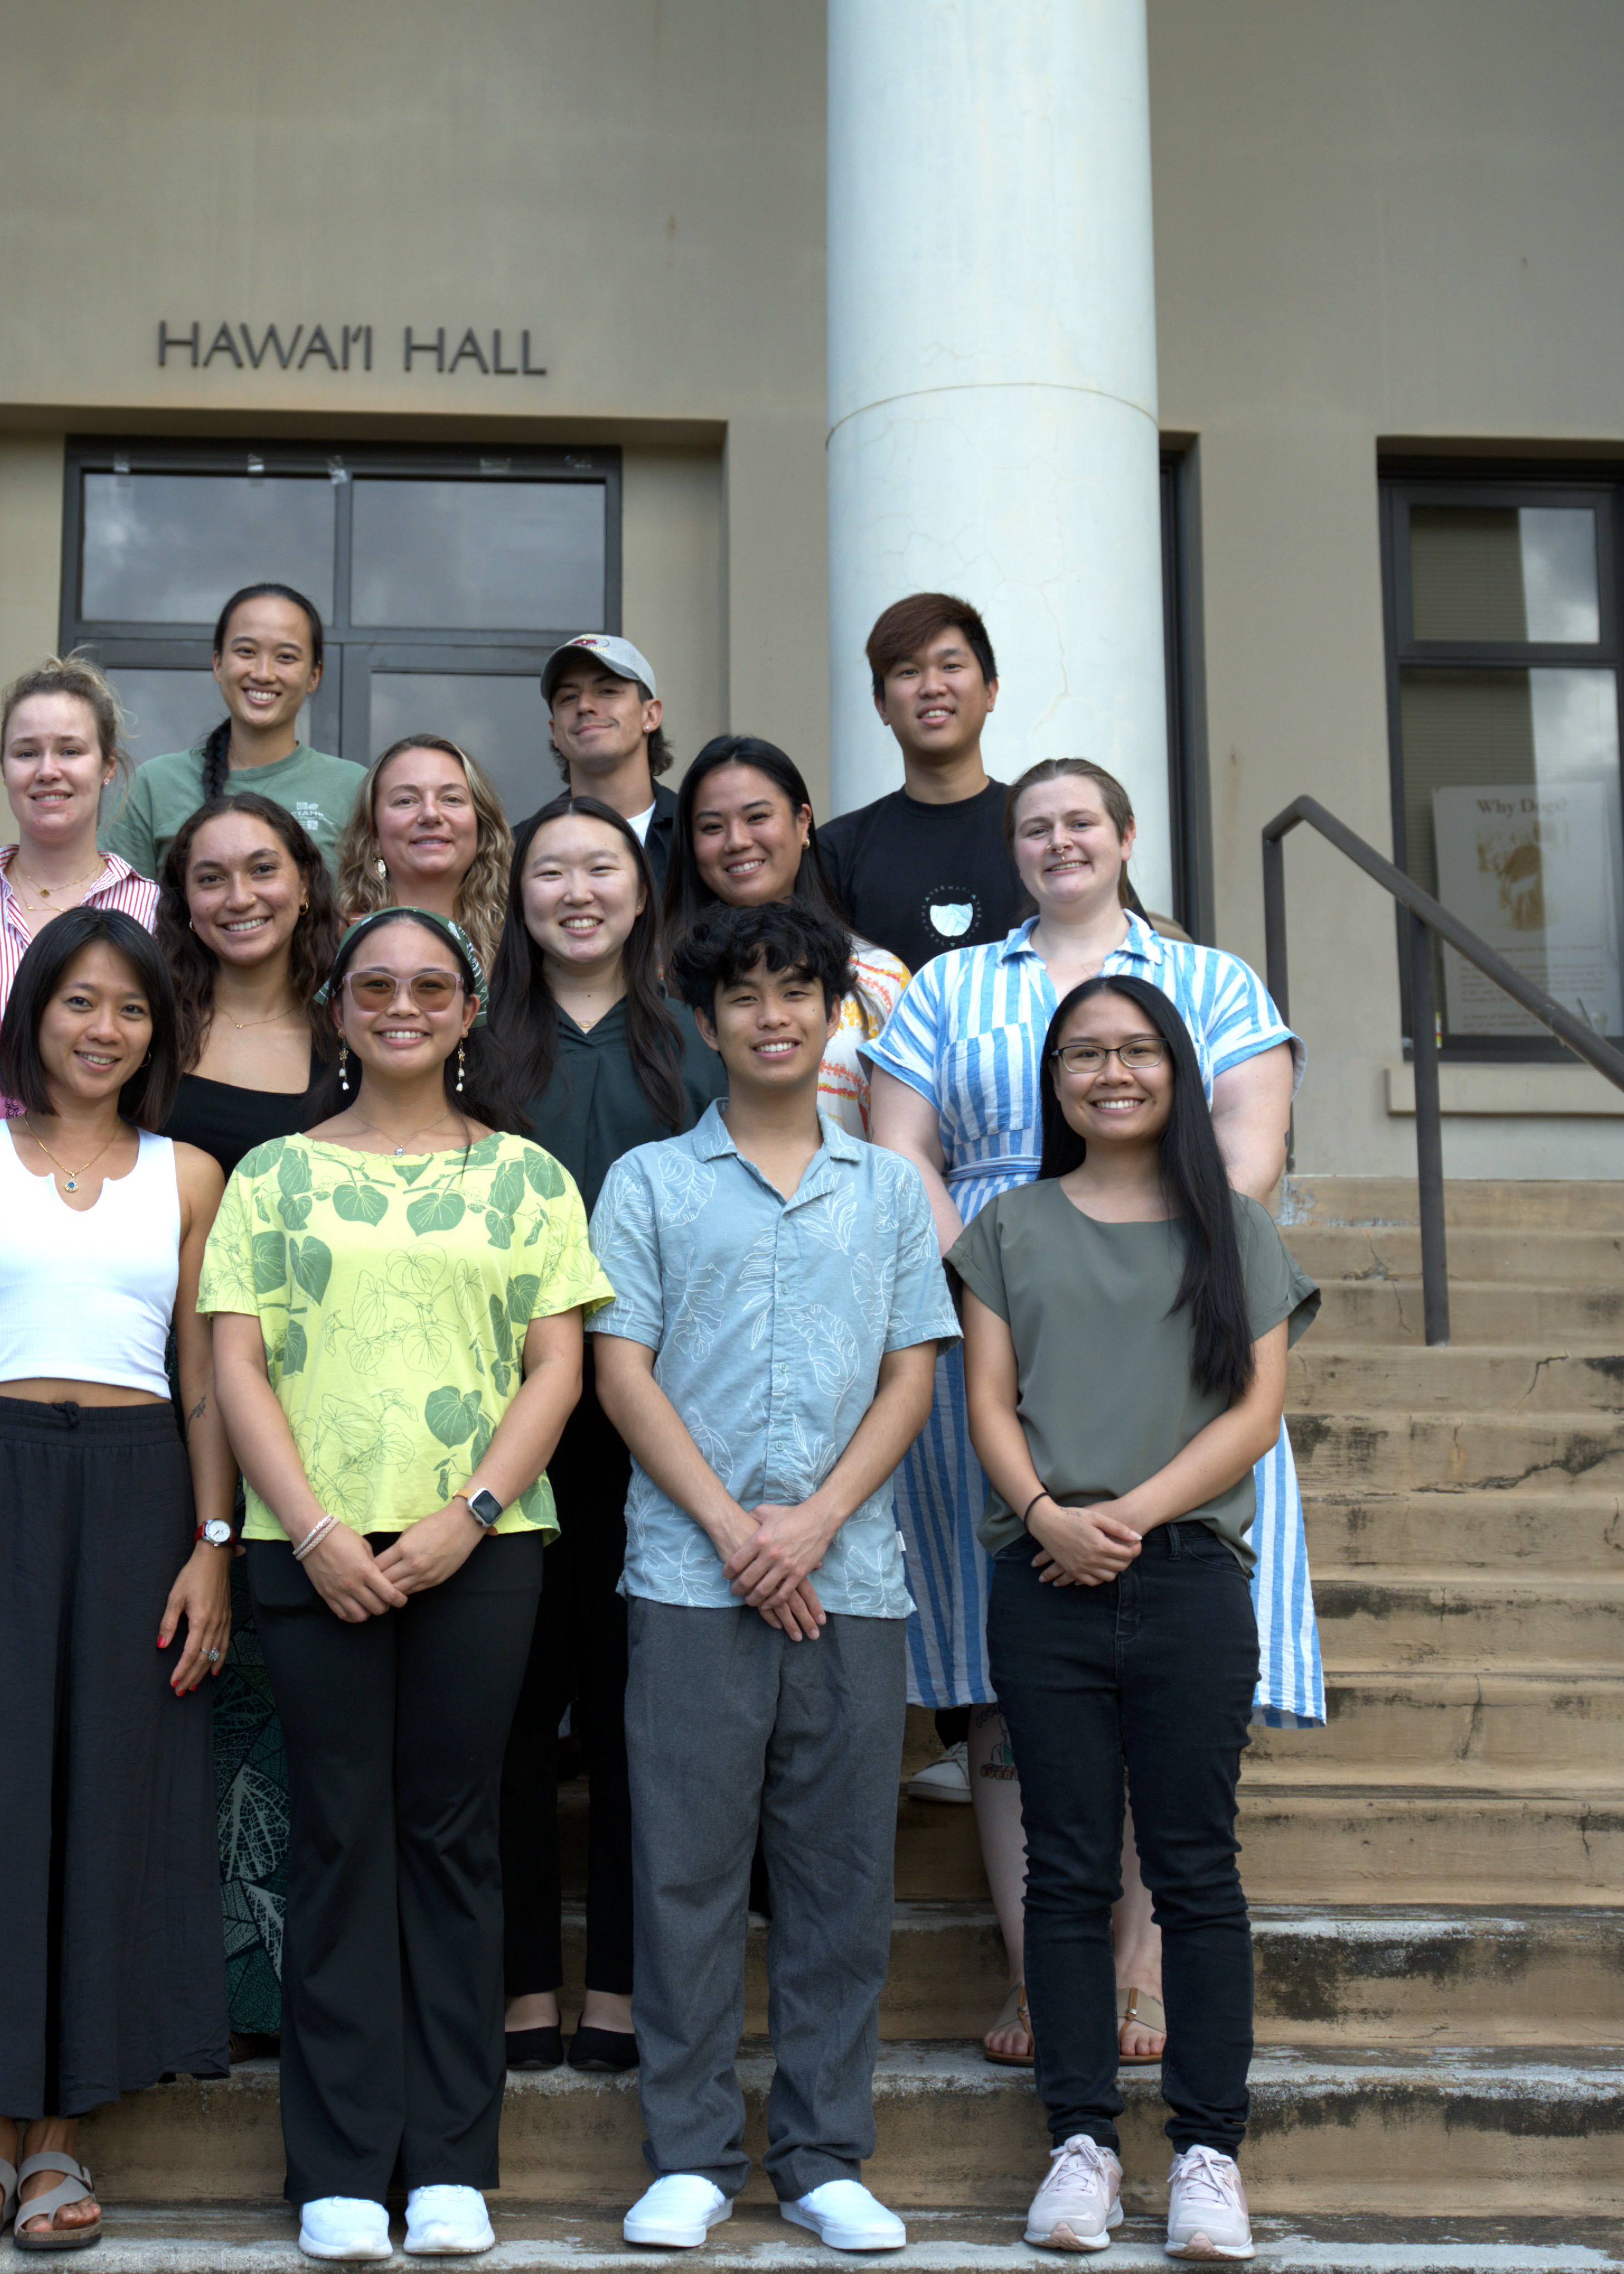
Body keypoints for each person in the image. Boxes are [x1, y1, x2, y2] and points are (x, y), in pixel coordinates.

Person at [865, 756, 1307, 2074]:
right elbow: (905, 1148)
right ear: (1014, 850)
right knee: (1016, 1687)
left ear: (1125, 836)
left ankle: (1147, 1970)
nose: (1060, 842)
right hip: (996, 1327)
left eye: (1082, 822)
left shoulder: (1213, 982)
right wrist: (997, 1279)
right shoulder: (954, 987)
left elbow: (1249, 1143)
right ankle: (1034, 1965)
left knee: (1167, 1679)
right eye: (1035, 826)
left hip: (1180, 1329)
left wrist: (1148, 1284)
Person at [198, 906, 612, 2264]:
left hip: (481, 1550)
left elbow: (558, 1364)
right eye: (374, 982)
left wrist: (471, 1512)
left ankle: (447, 2161)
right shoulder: (269, 1174)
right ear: (335, 1003)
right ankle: (334, 2165)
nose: (401, 1003)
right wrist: (310, 1527)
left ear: (469, 1007)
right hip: (307, 1546)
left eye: (431, 984)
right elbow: (236, 1365)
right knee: (337, 1839)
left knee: (451, 1838)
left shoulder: (528, 1177)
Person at [0, 907, 238, 2256]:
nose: (102, 1029)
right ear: (32, 1014)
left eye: (129, 1010)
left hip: (145, 1484)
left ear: (157, 1031)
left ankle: (68, 2134)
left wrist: (215, 1544)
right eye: (78, 1002)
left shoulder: (191, 1174)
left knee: (119, 1794)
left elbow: (207, 1383)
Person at [590, 899, 952, 2257]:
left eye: (798, 989)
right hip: (689, 1579)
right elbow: (620, 1369)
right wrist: (739, 1530)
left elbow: (913, 1369)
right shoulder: (649, 1184)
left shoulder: (887, 1194)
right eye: (743, 995)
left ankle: (820, 2152)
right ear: (705, 1021)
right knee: (684, 1871)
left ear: (836, 1012)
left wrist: (812, 1525)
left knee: (838, 1874)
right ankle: (688, 2151)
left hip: (851, 1582)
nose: (773, 1013)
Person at [952, 975, 1315, 2260]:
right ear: (1056, 1083)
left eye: (1136, 1051)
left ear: (1176, 1072)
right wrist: (1050, 1513)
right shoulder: (1010, 1225)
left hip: (1187, 1580)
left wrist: (1130, 1514)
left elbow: (1253, 1415)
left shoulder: (1235, 1231)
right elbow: (989, 1401)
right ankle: (1082, 2144)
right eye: (1085, 1054)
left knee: (1195, 1867)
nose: (1112, 1071)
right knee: (1066, 1869)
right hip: (1041, 1580)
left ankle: (1209, 2151)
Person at [477, 794, 725, 2080]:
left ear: (642, 895)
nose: (578, 891)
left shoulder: (697, 1041)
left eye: (602, 870)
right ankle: (522, 1977)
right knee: (512, 1706)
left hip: (660, 1428)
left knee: (641, 1713)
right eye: (550, 871)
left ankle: (623, 1980)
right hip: (497, 1428)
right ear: (517, 896)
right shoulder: (475, 1045)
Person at [146, 789, 353, 2048]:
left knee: (297, 1713)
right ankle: (182, 1989)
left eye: (260, 869)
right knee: (185, 1694)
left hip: (323, 1408)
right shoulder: (148, 1034)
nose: (238, 896)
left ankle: (285, 1996)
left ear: (304, 881)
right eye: (209, 877)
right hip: (159, 1400)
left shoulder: (352, 1035)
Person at [663, 734, 913, 1138]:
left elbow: (908, 1142)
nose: (737, 841)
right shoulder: (659, 981)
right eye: (712, 826)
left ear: (803, 822)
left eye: (757, 817)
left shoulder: (880, 980)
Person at [0, 657, 165, 1026]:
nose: (47, 771)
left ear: (108, 767)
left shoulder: (155, 912)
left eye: (70, 751)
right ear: (4, 769)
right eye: (27, 753)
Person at [812, 592, 1033, 969]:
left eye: (951, 666)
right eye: (908, 672)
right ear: (881, 705)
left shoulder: (1044, 830)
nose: (932, 686)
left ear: (990, 690)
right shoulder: (837, 851)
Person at [104, 582, 366, 874]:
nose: (263, 673)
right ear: (218, 664)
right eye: (246, 651)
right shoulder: (155, 786)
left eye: (286, 657)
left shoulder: (355, 788)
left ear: (315, 675)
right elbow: (116, 907)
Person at [337, 732, 514, 950]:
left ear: (481, 827)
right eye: (406, 801)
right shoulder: (333, 944)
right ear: (374, 835)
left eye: (452, 799)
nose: (431, 814)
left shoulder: (522, 942)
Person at [539, 632, 680, 877]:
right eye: (569, 697)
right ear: (556, 732)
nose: (584, 706)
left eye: (607, 691)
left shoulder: (698, 833)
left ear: (651, 715)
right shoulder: (520, 847)